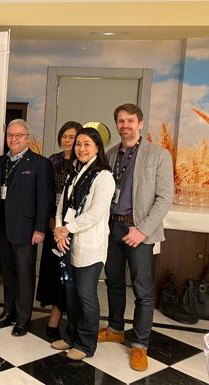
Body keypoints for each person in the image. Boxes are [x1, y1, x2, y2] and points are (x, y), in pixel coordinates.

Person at [98, 103, 174, 371]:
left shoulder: (158, 155)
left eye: (130, 120)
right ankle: (116, 328)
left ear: (140, 124)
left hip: (140, 230)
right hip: (113, 229)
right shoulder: (109, 155)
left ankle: (140, 345)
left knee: (142, 291)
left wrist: (141, 230)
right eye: (121, 121)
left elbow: (165, 197)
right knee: (113, 283)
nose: (125, 125)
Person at [50, 127, 115, 361]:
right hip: (68, 243)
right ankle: (70, 337)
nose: (81, 148)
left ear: (97, 147)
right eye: (78, 144)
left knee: (86, 296)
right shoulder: (75, 173)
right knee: (71, 295)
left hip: (89, 247)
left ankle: (86, 344)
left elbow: (96, 213)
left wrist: (67, 228)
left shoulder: (103, 176)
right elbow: (62, 205)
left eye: (87, 144)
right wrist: (59, 229)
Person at [0, 119, 54, 336]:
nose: (14, 139)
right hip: (3, 227)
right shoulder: (0, 162)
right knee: (7, 273)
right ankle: (8, 311)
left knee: (25, 274)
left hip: (27, 229)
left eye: (19, 135)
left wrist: (40, 229)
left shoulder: (40, 163)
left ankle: (23, 318)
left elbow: (44, 200)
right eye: (10, 134)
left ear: (27, 138)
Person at [36, 121, 82, 340]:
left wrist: (66, 224)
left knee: (70, 275)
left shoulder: (83, 164)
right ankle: (53, 317)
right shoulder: (51, 161)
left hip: (74, 227)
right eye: (64, 135)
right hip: (52, 224)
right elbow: (45, 193)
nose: (67, 140)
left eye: (72, 137)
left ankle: (67, 320)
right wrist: (50, 219)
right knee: (53, 272)